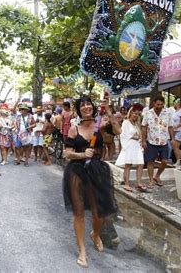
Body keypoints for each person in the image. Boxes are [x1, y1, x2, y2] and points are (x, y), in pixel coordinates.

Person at [63, 96, 118, 268]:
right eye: (83, 105)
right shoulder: (74, 129)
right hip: (76, 172)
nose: (86, 107)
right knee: (78, 212)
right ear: (79, 110)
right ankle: (82, 250)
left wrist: (108, 109)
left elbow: (117, 131)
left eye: (89, 104)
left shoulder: (100, 125)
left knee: (98, 211)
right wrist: (81, 155)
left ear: (93, 107)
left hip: (97, 171)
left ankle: (95, 234)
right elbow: (67, 153)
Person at [141, 95, 174, 188]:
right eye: (157, 104)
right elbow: (144, 127)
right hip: (151, 141)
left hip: (164, 141)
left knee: (165, 161)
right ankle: (151, 180)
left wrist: (173, 139)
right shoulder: (148, 113)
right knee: (150, 161)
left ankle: (157, 176)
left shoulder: (167, 113)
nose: (159, 106)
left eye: (161, 105)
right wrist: (143, 140)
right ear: (154, 103)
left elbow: (170, 126)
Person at [116, 104, 147, 192]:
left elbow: (139, 135)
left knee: (140, 163)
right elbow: (123, 134)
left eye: (137, 114)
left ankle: (139, 182)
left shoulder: (136, 124)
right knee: (128, 164)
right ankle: (126, 184)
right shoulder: (126, 122)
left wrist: (139, 139)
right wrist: (133, 137)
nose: (136, 115)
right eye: (134, 113)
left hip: (136, 146)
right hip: (129, 145)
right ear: (131, 113)